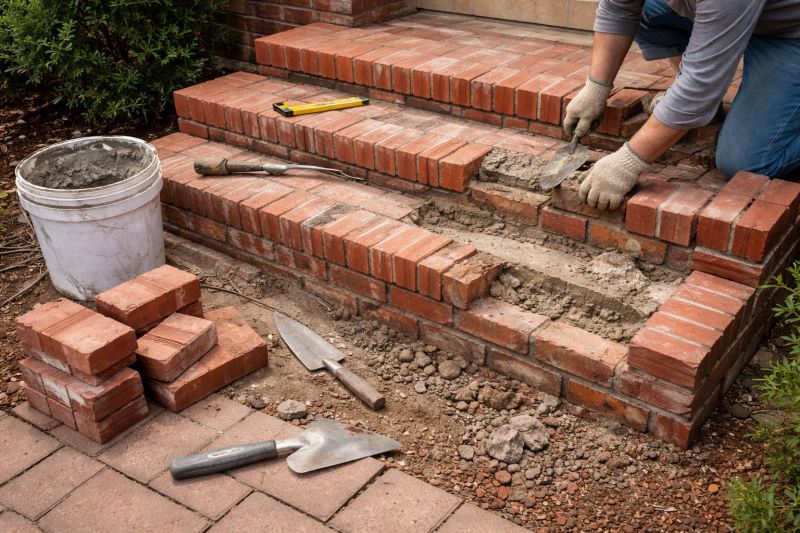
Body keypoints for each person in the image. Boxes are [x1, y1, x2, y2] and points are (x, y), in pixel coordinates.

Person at [564, 0, 800, 211]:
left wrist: (627, 163)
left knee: (746, 162)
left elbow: (700, 84)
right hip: (742, 15)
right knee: (647, 12)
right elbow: (617, 9)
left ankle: (694, 106)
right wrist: (595, 89)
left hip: (789, 32)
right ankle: (700, 107)